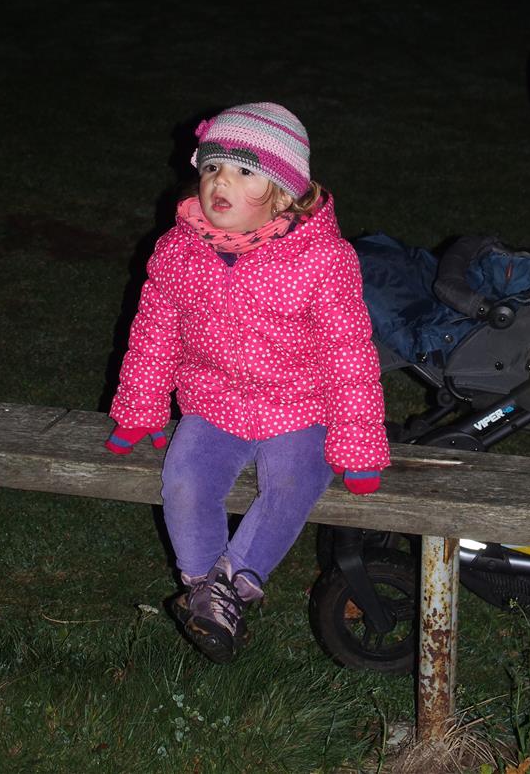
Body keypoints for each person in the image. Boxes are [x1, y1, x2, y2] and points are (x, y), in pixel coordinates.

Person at [105, 102, 390, 663]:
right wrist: (141, 409)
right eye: (212, 167)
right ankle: (206, 591)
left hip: (302, 408)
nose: (220, 183)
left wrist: (357, 445)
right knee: (185, 481)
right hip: (214, 403)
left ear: (283, 194)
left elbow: (349, 354)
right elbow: (154, 335)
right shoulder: (179, 251)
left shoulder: (323, 260)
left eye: (243, 171)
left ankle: (230, 584)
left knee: (292, 484)